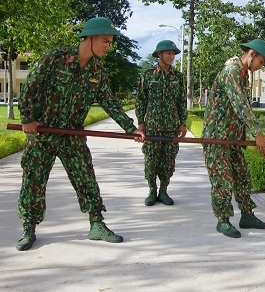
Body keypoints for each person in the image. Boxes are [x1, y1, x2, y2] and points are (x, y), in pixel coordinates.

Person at [15, 17, 146, 251]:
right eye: (105, 40)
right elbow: (30, 86)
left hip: (72, 135)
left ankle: (96, 224)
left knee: (86, 178)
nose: (108, 46)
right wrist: (28, 118)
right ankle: (29, 228)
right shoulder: (56, 58)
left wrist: (130, 128)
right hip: (43, 134)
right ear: (90, 38)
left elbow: (110, 102)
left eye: (110, 42)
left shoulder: (98, 70)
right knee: (33, 181)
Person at [202, 39, 265, 238]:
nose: (260, 67)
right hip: (217, 139)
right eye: (261, 62)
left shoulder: (243, 75)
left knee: (242, 178)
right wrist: (256, 134)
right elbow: (240, 104)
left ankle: (247, 215)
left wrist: (257, 133)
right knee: (222, 182)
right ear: (252, 55)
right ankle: (223, 221)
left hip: (233, 139)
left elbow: (246, 108)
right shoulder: (232, 71)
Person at [136, 40, 187, 206]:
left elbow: (181, 102)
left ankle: (164, 191)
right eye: (168, 53)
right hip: (152, 127)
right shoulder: (148, 75)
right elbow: (140, 101)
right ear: (159, 54)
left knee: (168, 162)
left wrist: (183, 122)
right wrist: (141, 123)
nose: (171, 56)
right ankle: (152, 190)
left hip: (171, 127)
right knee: (151, 161)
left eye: (173, 53)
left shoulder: (178, 77)